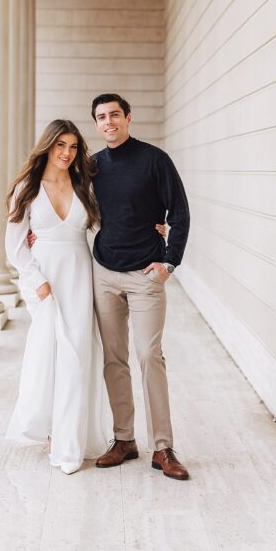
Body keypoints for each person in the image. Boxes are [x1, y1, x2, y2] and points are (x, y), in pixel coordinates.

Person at [88, 93, 192, 481]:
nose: (109, 122)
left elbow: (179, 212)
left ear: (128, 118)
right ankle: (124, 440)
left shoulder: (154, 160)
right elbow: (69, 206)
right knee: (114, 359)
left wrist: (169, 263)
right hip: (104, 272)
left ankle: (163, 447)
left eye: (115, 114)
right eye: (101, 117)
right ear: (96, 124)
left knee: (150, 357)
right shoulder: (93, 166)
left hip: (146, 274)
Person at [5, 119, 112, 475]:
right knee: (52, 353)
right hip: (44, 281)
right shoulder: (28, 187)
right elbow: (15, 246)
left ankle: (69, 439)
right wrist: (37, 281)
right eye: (60, 145)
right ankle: (54, 432)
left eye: (73, 146)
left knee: (78, 354)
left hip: (79, 275)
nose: (66, 153)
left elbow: (105, 227)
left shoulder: (85, 186)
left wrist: (153, 227)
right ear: (47, 146)